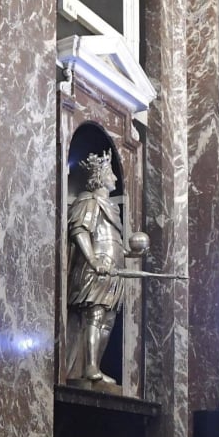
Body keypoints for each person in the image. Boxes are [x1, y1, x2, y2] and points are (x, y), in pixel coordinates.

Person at [66, 151, 130, 385]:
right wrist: (93, 261)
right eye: (110, 173)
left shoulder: (111, 207)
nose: (114, 178)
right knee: (95, 314)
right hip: (96, 268)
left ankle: (96, 365)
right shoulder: (89, 201)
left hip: (114, 270)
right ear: (100, 177)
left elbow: (113, 240)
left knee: (109, 319)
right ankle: (89, 365)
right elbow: (80, 231)